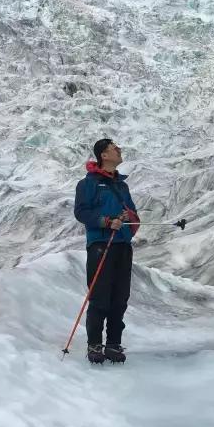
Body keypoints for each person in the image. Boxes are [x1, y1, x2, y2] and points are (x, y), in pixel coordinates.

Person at [74, 138, 140, 363]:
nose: (119, 150)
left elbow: (133, 213)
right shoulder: (88, 184)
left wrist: (127, 218)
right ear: (104, 155)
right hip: (101, 245)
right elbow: (81, 212)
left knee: (120, 298)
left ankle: (113, 343)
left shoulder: (122, 185)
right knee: (100, 297)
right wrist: (106, 221)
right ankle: (94, 345)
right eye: (114, 148)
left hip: (122, 245)